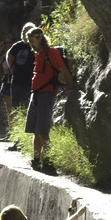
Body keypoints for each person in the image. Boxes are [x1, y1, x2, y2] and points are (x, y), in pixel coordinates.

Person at [20, 24, 70, 173]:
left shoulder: (52, 52)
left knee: (43, 130)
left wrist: (70, 86)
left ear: (39, 38)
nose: (31, 44)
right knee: (36, 129)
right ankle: (36, 160)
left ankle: (48, 161)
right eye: (29, 42)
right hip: (35, 94)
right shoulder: (38, 54)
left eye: (32, 41)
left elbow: (63, 69)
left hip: (47, 94)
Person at [0, 25, 35, 146]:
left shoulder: (34, 46)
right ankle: (17, 137)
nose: (25, 33)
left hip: (29, 83)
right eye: (23, 31)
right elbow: (9, 55)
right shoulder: (18, 45)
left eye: (27, 31)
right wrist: (10, 66)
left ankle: (24, 139)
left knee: (25, 109)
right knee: (15, 109)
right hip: (16, 81)